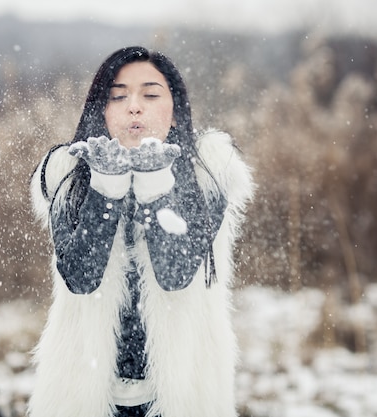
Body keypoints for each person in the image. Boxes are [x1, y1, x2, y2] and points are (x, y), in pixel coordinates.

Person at [28, 46, 254, 417]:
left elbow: (174, 274)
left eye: (150, 94)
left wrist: (154, 185)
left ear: (176, 112)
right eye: (118, 96)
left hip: (183, 395)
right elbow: (81, 277)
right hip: (83, 396)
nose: (134, 106)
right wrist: (105, 187)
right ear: (101, 111)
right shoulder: (68, 176)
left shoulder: (207, 175)